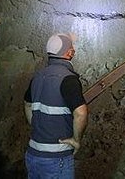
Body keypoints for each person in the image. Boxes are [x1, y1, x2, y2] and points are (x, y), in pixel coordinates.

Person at [24, 33, 88, 179]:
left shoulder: (38, 76)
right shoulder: (68, 79)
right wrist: (76, 140)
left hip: (33, 154)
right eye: (72, 48)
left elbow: (27, 104)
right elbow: (81, 113)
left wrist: (38, 127)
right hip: (56, 158)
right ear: (69, 53)